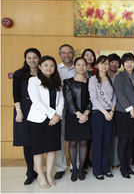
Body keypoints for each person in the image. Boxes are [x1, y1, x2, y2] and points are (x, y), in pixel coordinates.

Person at [27, 56, 63, 188]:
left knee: (51, 148)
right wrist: (52, 114)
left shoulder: (56, 81)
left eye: (52, 65)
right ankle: (40, 175)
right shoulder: (33, 81)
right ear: (40, 67)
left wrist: (57, 115)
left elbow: (61, 100)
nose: (49, 68)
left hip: (55, 119)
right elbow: (36, 102)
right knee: (39, 149)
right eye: (46, 65)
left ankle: (49, 173)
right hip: (39, 119)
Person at [13, 48, 41, 185]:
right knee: (27, 141)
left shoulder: (43, 73)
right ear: (25, 59)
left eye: (35, 57)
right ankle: (30, 171)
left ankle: (40, 170)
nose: (32, 60)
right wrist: (18, 111)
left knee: (38, 140)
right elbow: (16, 94)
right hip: (24, 107)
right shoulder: (19, 74)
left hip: (40, 108)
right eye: (29, 58)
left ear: (39, 58)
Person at [63, 57, 92, 182]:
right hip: (73, 116)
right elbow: (69, 100)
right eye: (78, 65)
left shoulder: (91, 81)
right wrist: (78, 114)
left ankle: (81, 169)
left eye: (83, 65)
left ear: (86, 66)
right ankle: (74, 168)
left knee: (84, 142)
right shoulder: (68, 81)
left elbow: (92, 99)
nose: (81, 67)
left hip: (87, 116)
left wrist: (85, 113)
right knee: (73, 143)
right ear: (74, 66)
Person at [89, 55, 116, 180]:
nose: (104, 65)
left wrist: (112, 111)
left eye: (106, 63)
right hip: (99, 114)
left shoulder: (111, 79)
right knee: (98, 143)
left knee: (106, 143)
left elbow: (114, 97)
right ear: (96, 65)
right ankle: (97, 170)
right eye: (101, 63)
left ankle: (106, 168)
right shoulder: (93, 80)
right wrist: (105, 112)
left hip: (110, 114)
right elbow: (93, 99)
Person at [113, 53, 134, 179]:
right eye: (127, 62)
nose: (129, 64)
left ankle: (128, 165)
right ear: (123, 64)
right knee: (123, 140)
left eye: (132, 62)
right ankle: (123, 167)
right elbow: (120, 95)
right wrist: (131, 109)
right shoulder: (119, 77)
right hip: (123, 113)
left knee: (131, 140)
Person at [54, 44, 76, 180]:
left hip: (75, 108)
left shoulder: (79, 67)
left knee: (76, 138)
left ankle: (75, 165)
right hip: (59, 109)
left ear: (73, 54)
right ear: (60, 54)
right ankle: (60, 167)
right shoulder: (55, 69)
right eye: (64, 53)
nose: (66, 55)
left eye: (69, 53)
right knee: (60, 138)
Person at [81, 49, 96, 170]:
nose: (89, 57)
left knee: (91, 134)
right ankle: (83, 160)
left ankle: (88, 158)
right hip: (82, 105)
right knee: (83, 135)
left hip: (94, 106)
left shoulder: (97, 71)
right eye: (87, 55)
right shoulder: (80, 70)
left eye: (91, 55)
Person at [107, 53, 121, 170]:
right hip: (104, 110)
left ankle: (115, 161)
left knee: (116, 136)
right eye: (112, 62)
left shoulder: (120, 76)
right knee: (105, 137)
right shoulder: (101, 76)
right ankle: (105, 162)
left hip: (118, 110)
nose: (114, 64)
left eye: (117, 62)